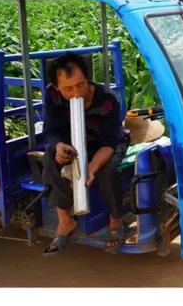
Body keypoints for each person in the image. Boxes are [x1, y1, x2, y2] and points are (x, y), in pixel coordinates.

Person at [41, 53, 128, 255]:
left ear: (87, 79)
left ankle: (116, 219)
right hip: (73, 143)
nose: (76, 93)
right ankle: (66, 220)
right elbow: (51, 130)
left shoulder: (108, 99)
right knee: (49, 155)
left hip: (104, 145)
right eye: (68, 89)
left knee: (109, 170)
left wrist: (92, 166)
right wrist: (58, 147)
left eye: (80, 85)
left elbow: (109, 142)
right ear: (56, 88)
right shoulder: (52, 95)